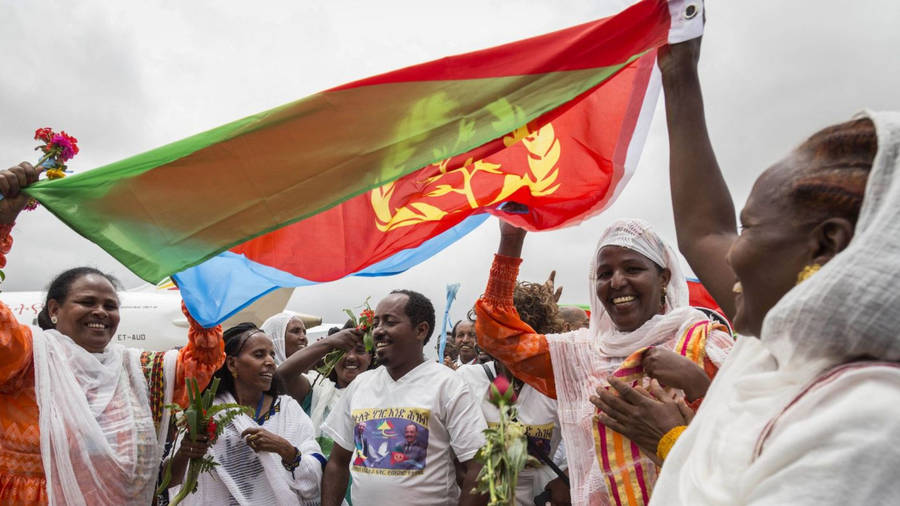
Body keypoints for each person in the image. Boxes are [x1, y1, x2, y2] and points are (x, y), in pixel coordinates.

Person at [596, 33, 900, 505]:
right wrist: (678, 70)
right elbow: (704, 232)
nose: (732, 254)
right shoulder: (780, 334)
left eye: (750, 230)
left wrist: (671, 441)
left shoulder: (869, 424)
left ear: (826, 245)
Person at [0, 161, 225, 504]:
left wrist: (193, 283)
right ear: (54, 310)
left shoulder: (138, 372)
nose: (101, 312)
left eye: (110, 305)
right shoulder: (27, 357)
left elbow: (202, 361)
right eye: (87, 302)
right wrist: (3, 220)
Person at [475, 217, 734, 506]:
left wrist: (698, 387)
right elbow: (498, 337)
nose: (617, 282)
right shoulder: (581, 354)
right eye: (605, 273)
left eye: (633, 269)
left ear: (663, 278)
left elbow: (748, 446)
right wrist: (511, 240)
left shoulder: (706, 344)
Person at [321, 289, 488, 506]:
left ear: (421, 330)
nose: (378, 331)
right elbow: (337, 463)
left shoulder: (448, 385)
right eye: (376, 324)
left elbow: (480, 466)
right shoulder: (360, 385)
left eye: (389, 322)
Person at [170, 322, 323, 505]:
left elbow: (315, 477)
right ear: (232, 364)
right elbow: (170, 480)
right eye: (259, 355)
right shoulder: (207, 412)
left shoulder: (288, 410)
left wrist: (286, 450)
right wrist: (186, 452)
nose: (270, 362)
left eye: (272, 355)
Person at [457, 279, 567, 506]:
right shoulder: (466, 379)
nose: (507, 342)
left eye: (517, 334)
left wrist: (567, 480)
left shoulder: (557, 385)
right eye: (499, 331)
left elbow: (587, 447)